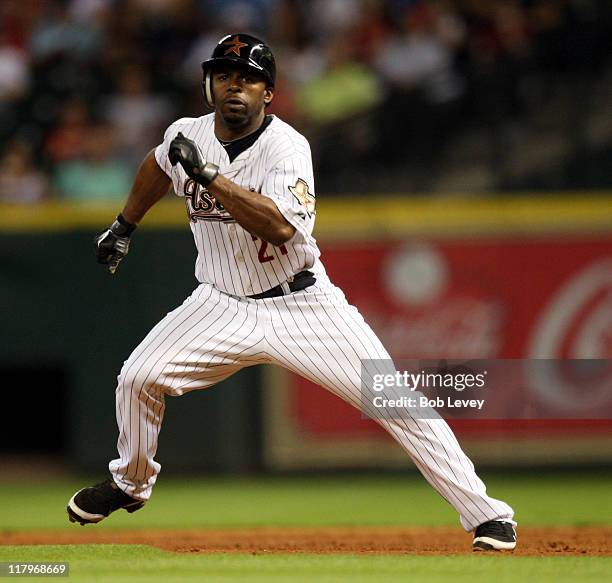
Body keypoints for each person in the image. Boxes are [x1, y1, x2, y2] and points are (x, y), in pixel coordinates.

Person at [66, 33, 517, 552]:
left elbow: (279, 228)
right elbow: (156, 165)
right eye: (225, 76)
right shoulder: (185, 135)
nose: (235, 86)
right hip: (219, 302)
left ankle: (489, 517)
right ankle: (130, 483)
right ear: (210, 85)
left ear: (268, 93)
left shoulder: (287, 147)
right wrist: (124, 225)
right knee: (137, 378)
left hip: (302, 304)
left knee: (396, 402)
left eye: (249, 79)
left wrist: (207, 175)